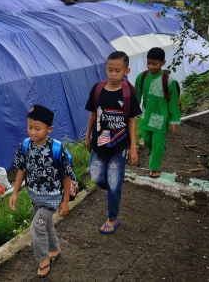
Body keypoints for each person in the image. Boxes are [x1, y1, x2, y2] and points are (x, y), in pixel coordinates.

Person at [9, 104, 73, 278]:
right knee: (46, 225)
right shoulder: (26, 145)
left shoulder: (57, 149)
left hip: (52, 199)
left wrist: (65, 201)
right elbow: (22, 168)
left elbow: (67, 175)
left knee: (37, 226)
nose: (33, 132)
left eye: (38, 128)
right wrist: (15, 192)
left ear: (49, 129)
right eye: (30, 127)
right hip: (35, 197)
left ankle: (43, 259)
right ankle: (55, 249)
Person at [85, 51, 142, 234]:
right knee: (95, 175)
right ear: (105, 69)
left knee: (114, 181)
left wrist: (133, 147)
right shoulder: (98, 89)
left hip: (119, 146)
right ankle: (110, 190)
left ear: (126, 70)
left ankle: (112, 218)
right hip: (99, 143)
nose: (113, 74)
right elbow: (93, 114)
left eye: (118, 70)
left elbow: (132, 121)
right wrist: (88, 136)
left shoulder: (128, 94)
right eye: (110, 70)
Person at [135, 47, 181, 178]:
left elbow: (173, 103)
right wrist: (130, 112)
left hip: (161, 118)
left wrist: (174, 121)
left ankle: (154, 168)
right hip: (147, 116)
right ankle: (159, 151)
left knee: (157, 142)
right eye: (148, 63)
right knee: (147, 140)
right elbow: (136, 96)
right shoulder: (142, 77)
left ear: (163, 63)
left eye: (154, 64)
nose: (151, 66)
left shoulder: (169, 81)